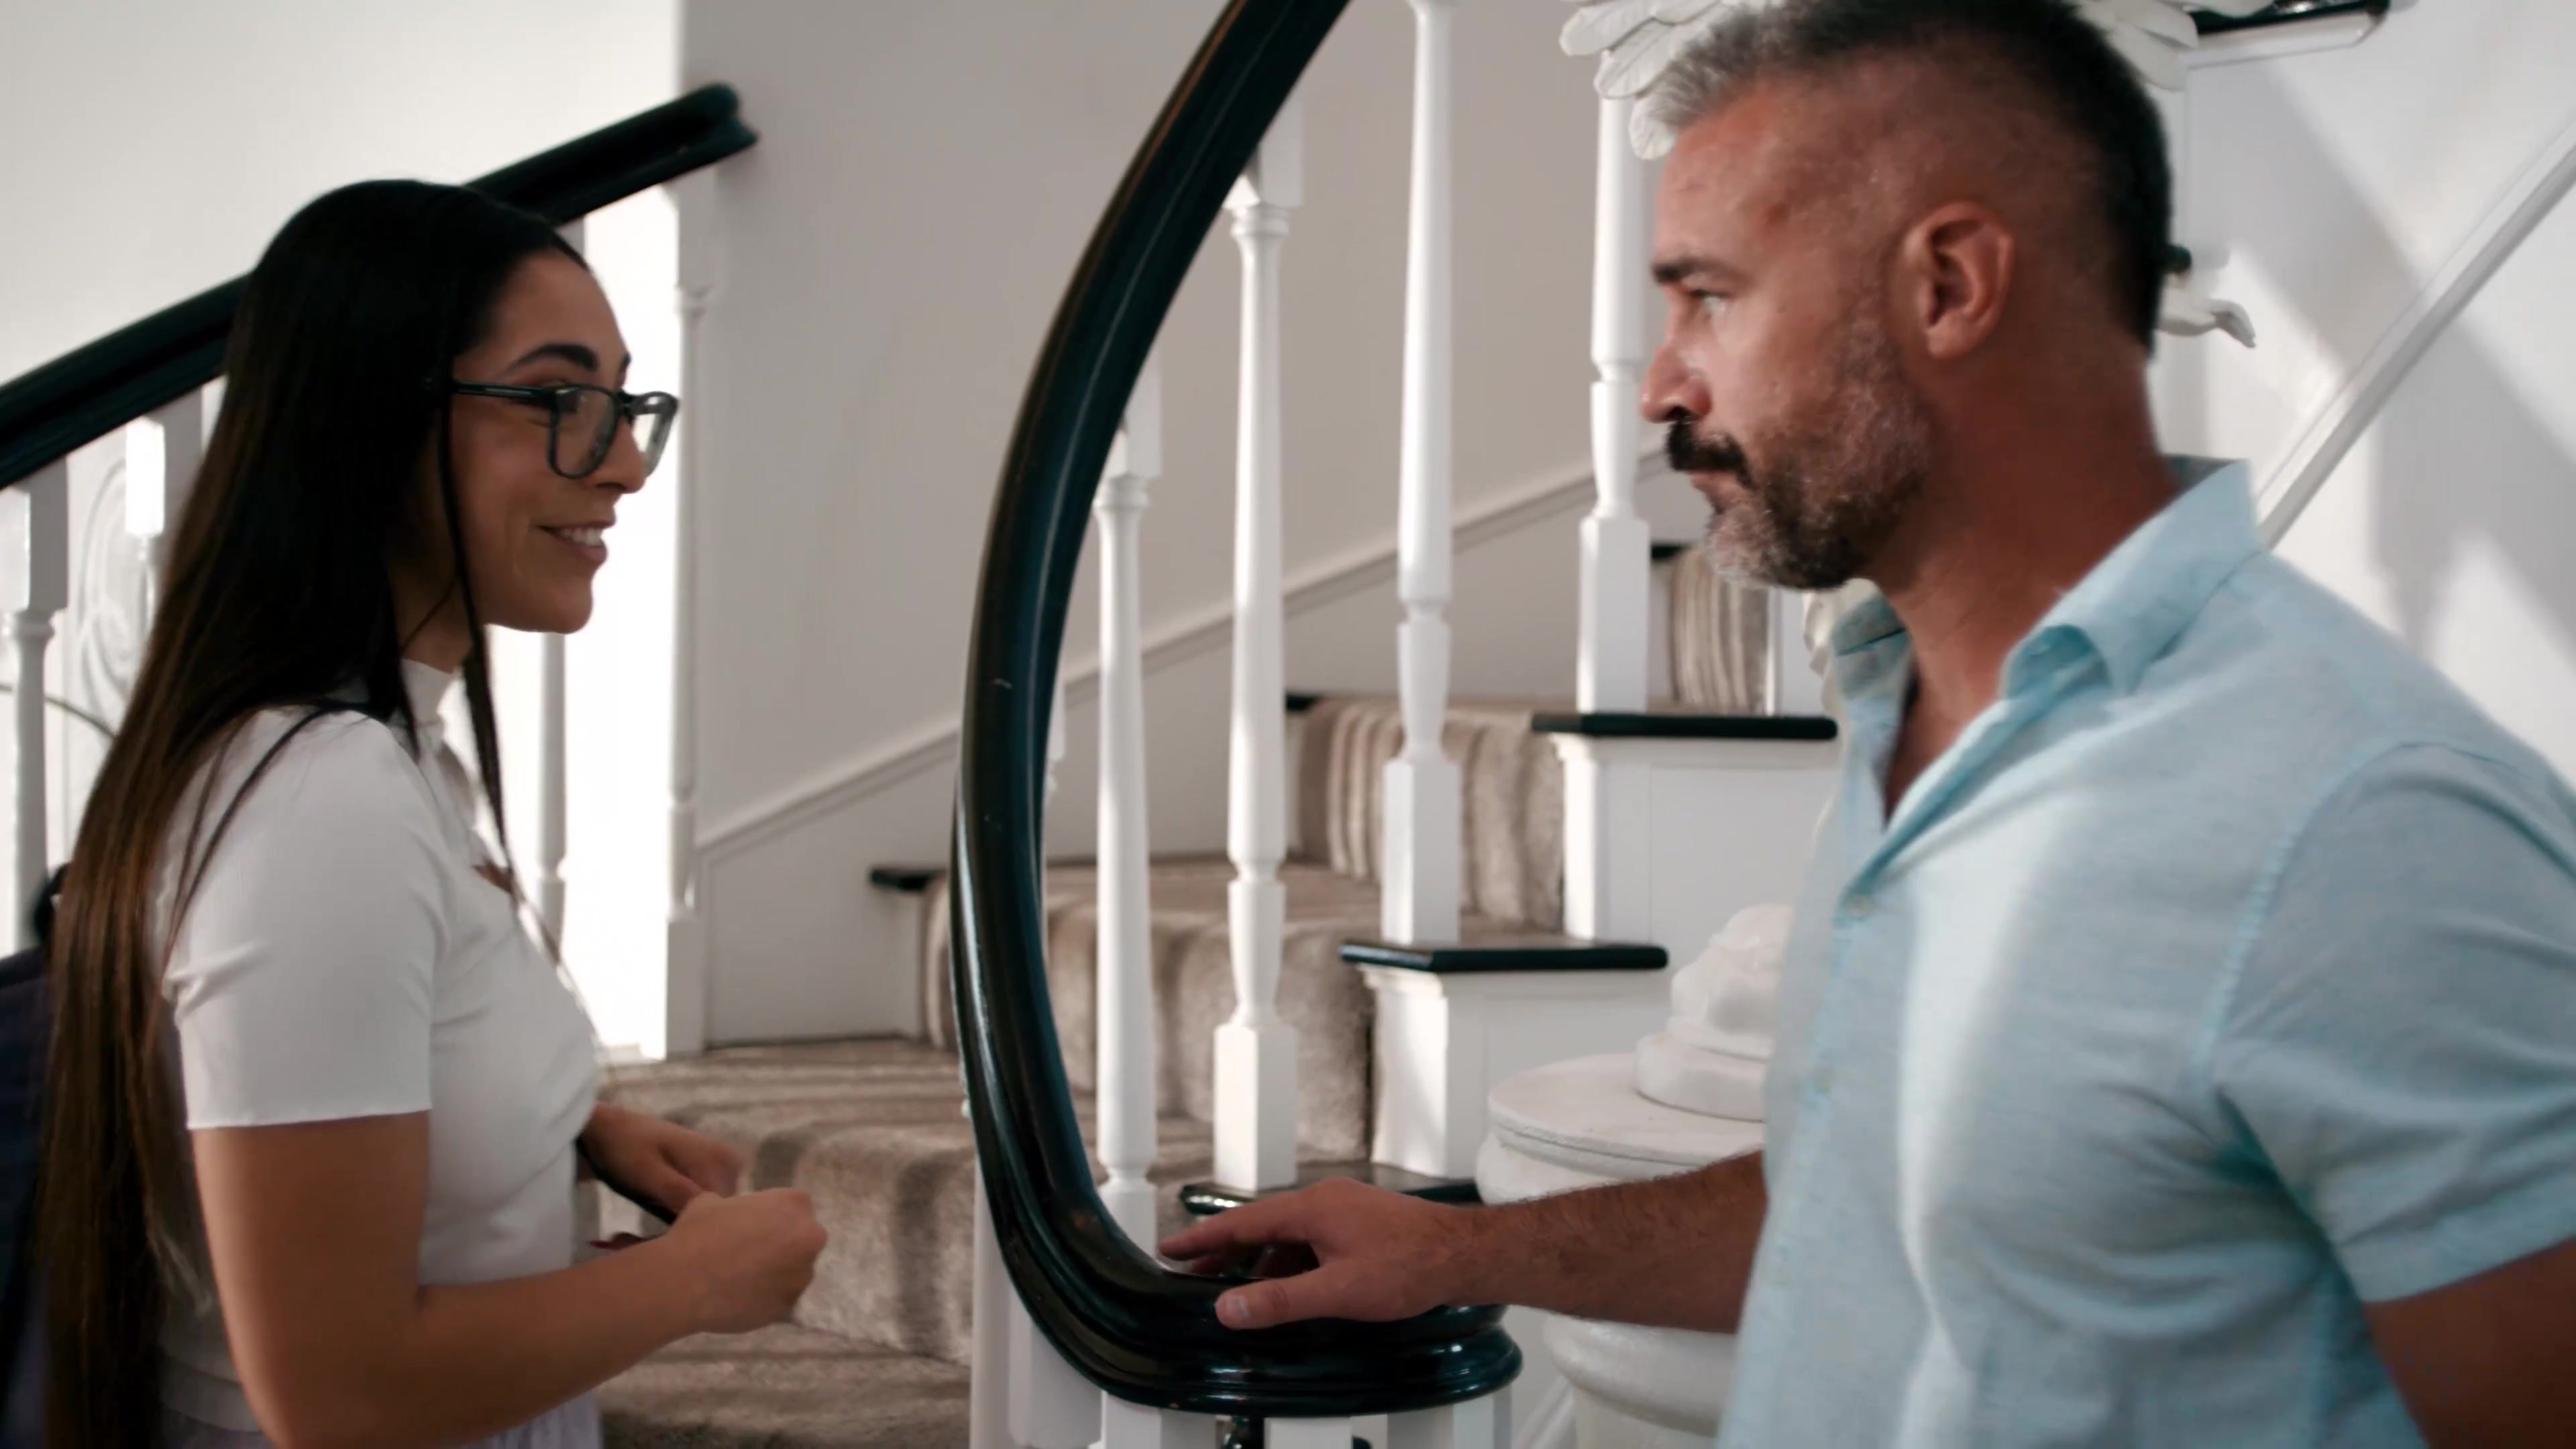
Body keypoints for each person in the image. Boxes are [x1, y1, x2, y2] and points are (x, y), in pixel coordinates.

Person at [1161, 1, 2576, 1443]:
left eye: (1711, 298)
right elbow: (1876, 1200)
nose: (1659, 384)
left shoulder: (2368, 821)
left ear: (1949, 286)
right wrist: (1462, 1254)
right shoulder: (1908, 716)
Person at [36, 180, 826, 1449]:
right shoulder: (317, 800)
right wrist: (692, 1282)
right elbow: (337, 1393)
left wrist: (562, 1127)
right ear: (373, 418)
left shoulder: (380, 754)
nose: (623, 463)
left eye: (623, 407)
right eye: (560, 402)